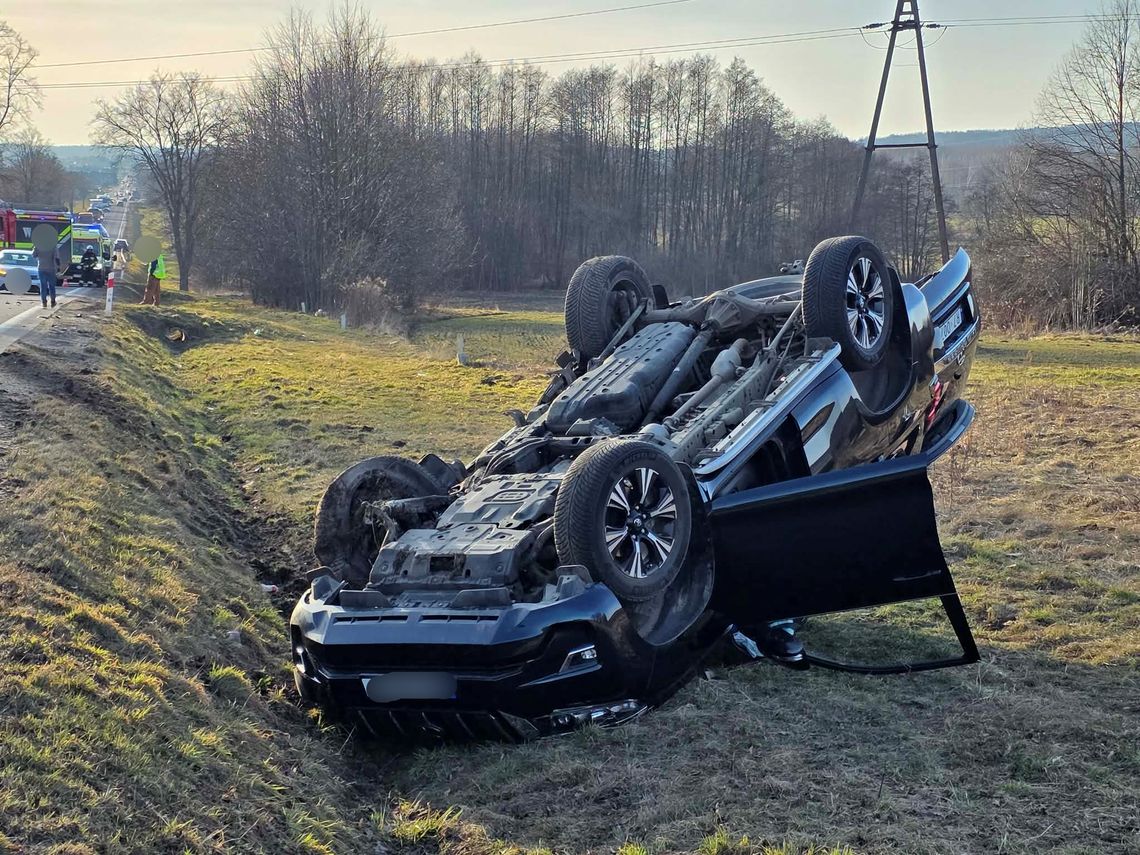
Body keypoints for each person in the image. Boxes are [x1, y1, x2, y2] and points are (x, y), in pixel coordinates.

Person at [34, 244, 57, 308]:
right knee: (51, 286)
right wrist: (58, 267)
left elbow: (34, 255)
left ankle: (44, 302)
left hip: (41, 268)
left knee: (43, 285)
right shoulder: (53, 246)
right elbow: (56, 257)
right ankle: (53, 301)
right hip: (51, 269)